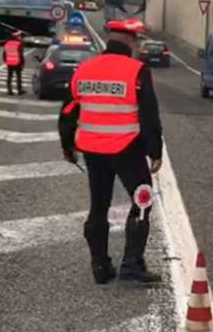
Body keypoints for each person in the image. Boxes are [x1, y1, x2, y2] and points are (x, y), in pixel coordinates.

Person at [58, 19, 164, 284]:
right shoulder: (137, 71)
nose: (138, 45)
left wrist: (67, 145)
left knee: (98, 207)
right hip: (126, 149)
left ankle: (100, 266)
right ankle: (132, 265)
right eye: (136, 40)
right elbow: (149, 115)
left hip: (93, 151)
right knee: (142, 201)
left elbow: (69, 111)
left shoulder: (84, 69)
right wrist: (155, 151)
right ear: (128, 41)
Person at [2, 31, 25, 96]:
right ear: (16, 37)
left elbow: (4, 54)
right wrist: (22, 63)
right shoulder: (19, 43)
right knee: (18, 76)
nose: (20, 37)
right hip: (17, 62)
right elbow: (21, 54)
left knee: (9, 76)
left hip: (9, 62)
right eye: (19, 36)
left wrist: (6, 61)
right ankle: (19, 90)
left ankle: (9, 90)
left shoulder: (7, 43)